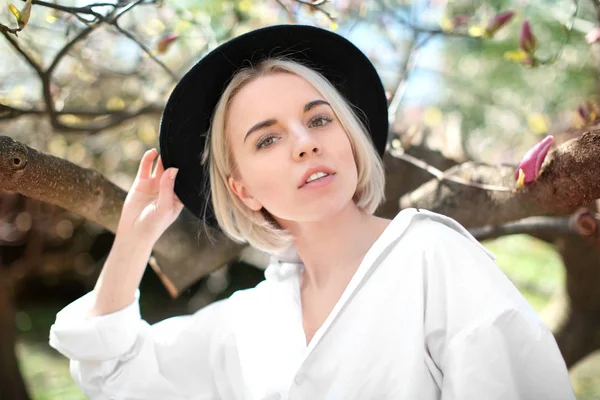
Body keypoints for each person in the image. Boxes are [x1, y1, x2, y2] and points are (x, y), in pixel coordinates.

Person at [49, 25, 575, 400]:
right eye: (268, 138)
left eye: (319, 119)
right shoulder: (249, 320)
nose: (304, 144)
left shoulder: (433, 257)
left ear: (349, 138)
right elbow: (113, 372)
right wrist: (133, 241)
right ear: (244, 190)